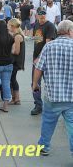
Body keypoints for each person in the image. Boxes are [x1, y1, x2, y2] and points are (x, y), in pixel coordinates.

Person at [33, 20, 73, 156]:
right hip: (71, 96)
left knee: (48, 122)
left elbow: (38, 68)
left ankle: (44, 147)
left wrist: (35, 84)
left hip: (52, 95)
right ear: (70, 31)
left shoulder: (49, 46)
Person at [30, 8, 57, 115]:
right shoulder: (37, 24)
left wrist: (39, 57)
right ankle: (38, 104)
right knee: (35, 83)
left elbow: (48, 45)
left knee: (49, 82)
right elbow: (38, 39)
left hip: (46, 60)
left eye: (43, 17)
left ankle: (53, 104)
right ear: (36, 16)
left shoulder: (50, 26)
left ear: (46, 15)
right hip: (36, 59)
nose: (41, 19)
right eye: (39, 17)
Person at [7, 18, 25, 105]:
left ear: (13, 26)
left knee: (12, 79)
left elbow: (17, 51)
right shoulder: (16, 35)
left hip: (16, 61)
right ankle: (14, 98)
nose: (8, 27)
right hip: (15, 61)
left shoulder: (17, 36)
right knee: (12, 79)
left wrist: (9, 51)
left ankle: (16, 99)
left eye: (8, 25)